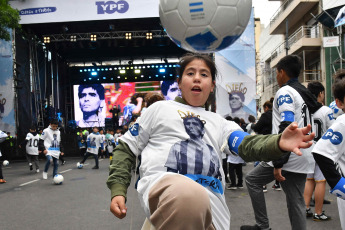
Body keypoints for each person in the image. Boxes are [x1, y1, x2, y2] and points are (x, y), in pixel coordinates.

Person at [107, 53, 315, 230]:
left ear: (212, 85)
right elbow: (126, 148)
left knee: (193, 198)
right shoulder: (158, 109)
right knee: (187, 194)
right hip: (168, 197)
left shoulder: (220, 123)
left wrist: (277, 143)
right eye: (190, 73)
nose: (197, 78)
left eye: (204, 74)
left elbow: (247, 145)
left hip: (214, 218)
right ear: (179, 83)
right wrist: (118, 189)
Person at [241, 55, 322, 230]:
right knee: (296, 203)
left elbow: (288, 125)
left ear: (281, 72)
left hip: (287, 154)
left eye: (276, 73)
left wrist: (278, 162)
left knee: (252, 180)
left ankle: (263, 226)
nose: (276, 77)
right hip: (303, 154)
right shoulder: (305, 95)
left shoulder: (285, 92)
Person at [312, 69, 345, 229]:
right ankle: (316, 211)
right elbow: (321, 152)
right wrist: (339, 185)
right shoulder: (342, 122)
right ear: (339, 103)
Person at [304, 81, 334, 221]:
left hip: (307, 148)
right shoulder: (326, 110)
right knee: (320, 181)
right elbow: (333, 129)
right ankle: (318, 212)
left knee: (309, 180)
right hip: (321, 150)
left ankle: (306, 209)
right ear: (320, 94)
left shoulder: (304, 110)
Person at [251, 101, 281, 191]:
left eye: (264, 108)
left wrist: (253, 125)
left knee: (262, 162)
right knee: (276, 162)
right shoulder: (277, 115)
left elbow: (257, 127)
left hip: (265, 141)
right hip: (276, 140)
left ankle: (263, 185)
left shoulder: (265, 116)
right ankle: (277, 184)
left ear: (267, 107)